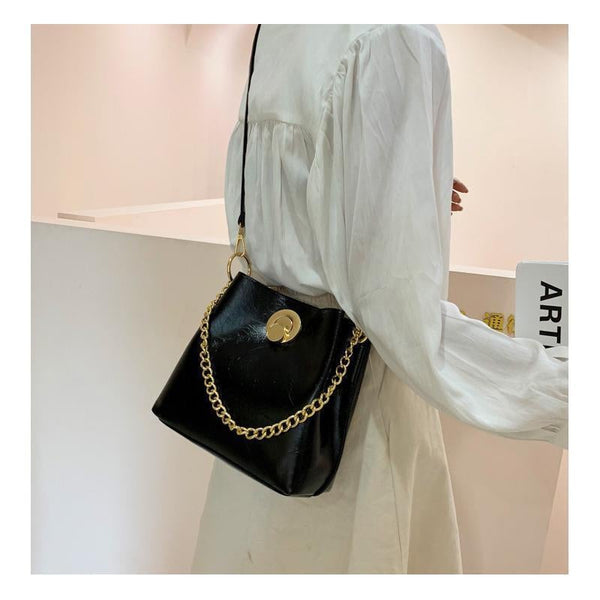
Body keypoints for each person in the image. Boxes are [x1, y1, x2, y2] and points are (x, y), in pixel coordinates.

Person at [191, 24, 567, 574]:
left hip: (258, 417)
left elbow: (277, 193)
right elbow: (406, 325)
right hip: (352, 427)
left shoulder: (276, 28)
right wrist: (561, 394)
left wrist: (382, 186)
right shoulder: (395, 34)